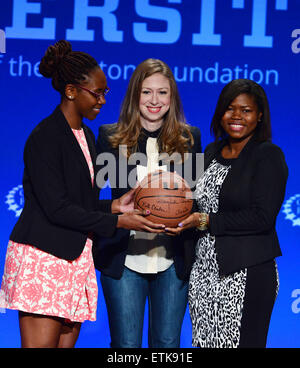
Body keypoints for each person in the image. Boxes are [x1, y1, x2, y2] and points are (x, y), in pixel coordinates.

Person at [0, 41, 164, 348]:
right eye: (96, 93)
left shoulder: (87, 134)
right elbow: (57, 208)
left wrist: (115, 206)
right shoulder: (45, 137)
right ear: (72, 91)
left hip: (76, 259)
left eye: (106, 92)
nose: (102, 100)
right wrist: (118, 223)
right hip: (44, 258)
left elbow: (80, 202)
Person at [167, 79, 288, 348]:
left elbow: (262, 217)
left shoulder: (268, 155)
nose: (236, 116)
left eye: (246, 110)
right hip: (203, 274)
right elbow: (192, 201)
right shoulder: (210, 152)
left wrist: (205, 220)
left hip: (245, 273)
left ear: (259, 116)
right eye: (229, 108)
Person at [93, 58, 202, 348]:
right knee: (126, 346)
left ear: (172, 97)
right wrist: (117, 212)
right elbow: (89, 203)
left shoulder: (189, 139)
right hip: (123, 258)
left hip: (172, 260)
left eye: (162, 92)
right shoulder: (109, 137)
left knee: (167, 344)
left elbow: (197, 200)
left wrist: (186, 220)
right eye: (146, 92)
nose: (155, 100)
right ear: (134, 95)